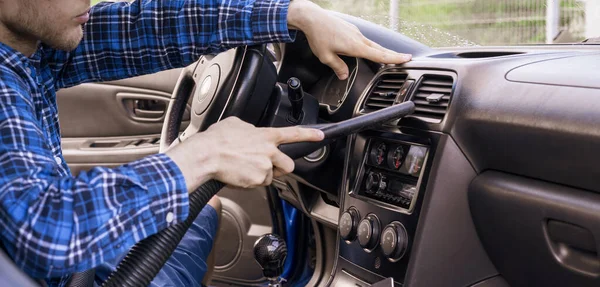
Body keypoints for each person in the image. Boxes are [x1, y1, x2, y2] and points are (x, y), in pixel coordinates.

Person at [0, 0, 412, 286]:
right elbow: (46, 231)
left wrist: (293, 14)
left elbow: (142, 27)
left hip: (59, 272)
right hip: (56, 271)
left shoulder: (28, 48)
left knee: (203, 204)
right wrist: (201, 155)